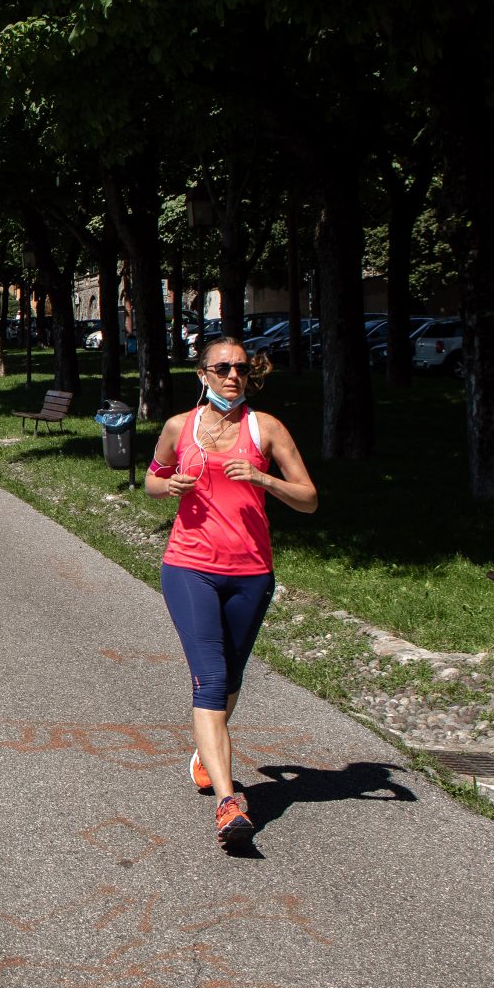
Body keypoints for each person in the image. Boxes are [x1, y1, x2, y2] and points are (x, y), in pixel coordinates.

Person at [143, 334, 319, 847]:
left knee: (232, 675)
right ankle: (228, 803)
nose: (232, 377)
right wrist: (169, 486)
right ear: (203, 374)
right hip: (188, 567)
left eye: (240, 368)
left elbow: (308, 499)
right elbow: (153, 479)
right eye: (221, 368)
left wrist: (264, 481)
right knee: (212, 678)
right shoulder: (180, 427)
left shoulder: (267, 429)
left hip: (251, 572)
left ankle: (204, 751)